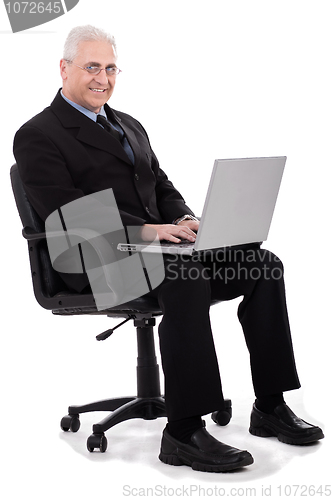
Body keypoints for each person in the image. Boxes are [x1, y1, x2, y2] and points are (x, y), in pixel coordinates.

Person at [13, 25, 324, 473]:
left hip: (153, 251)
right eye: (92, 67)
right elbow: (64, 215)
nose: (103, 78)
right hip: (90, 259)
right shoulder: (38, 134)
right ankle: (182, 431)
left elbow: (160, 184)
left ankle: (270, 406)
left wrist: (183, 221)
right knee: (185, 276)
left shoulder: (129, 124)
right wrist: (149, 232)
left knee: (262, 265)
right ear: (64, 69)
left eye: (111, 68)